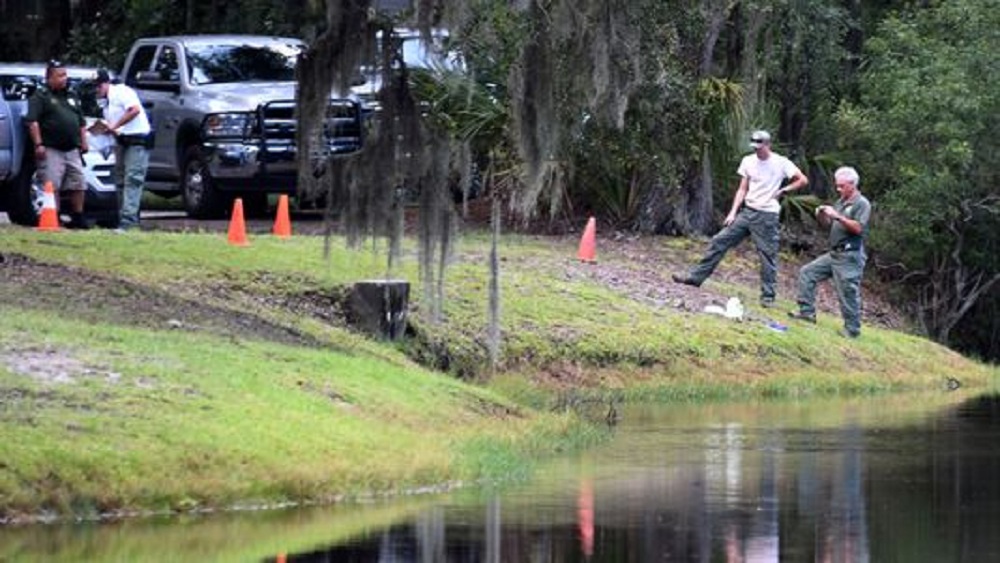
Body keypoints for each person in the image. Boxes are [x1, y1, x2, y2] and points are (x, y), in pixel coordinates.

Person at [672, 130, 809, 307]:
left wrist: (784, 190)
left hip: (767, 215)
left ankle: (768, 297)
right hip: (747, 211)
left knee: (767, 255)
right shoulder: (748, 161)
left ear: (768, 145)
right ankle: (695, 277)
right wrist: (732, 212)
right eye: (754, 147)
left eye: (760, 147)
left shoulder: (781, 163)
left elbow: (802, 180)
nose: (757, 151)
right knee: (719, 241)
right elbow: (742, 189)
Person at [787, 166, 871, 339]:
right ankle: (807, 313)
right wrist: (822, 215)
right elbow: (829, 226)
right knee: (807, 273)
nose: (838, 189)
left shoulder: (862, 204)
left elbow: (858, 228)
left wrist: (838, 216)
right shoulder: (840, 202)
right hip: (834, 253)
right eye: (837, 185)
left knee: (847, 292)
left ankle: (852, 330)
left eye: (842, 186)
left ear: (852, 184)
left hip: (850, 256)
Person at [25, 60, 90, 229]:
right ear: (49, 78)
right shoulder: (41, 96)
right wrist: (38, 144)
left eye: (65, 75)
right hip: (51, 147)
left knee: (78, 182)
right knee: (52, 184)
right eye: (60, 75)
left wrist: (83, 142)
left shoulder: (71, 96)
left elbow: (81, 122)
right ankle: (54, 216)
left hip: (72, 148)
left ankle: (78, 217)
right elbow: (32, 121)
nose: (64, 79)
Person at [94, 69, 151, 231]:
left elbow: (134, 110)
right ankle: (124, 217)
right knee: (120, 180)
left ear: (106, 84)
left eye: (99, 87)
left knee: (133, 179)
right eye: (95, 88)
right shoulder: (105, 102)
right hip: (122, 141)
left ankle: (129, 221)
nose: (97, 90)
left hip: (137, 139)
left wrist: (115, 126)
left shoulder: (122, 92)